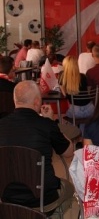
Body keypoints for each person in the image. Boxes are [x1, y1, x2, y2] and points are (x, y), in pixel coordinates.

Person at [0, 80, 73, 208]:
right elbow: (69, 151)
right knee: (70, 189)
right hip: (43, 200)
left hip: (8, 200)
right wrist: (51, 122)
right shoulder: (46, 125)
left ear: (15, 100)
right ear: (37, 102)